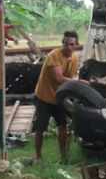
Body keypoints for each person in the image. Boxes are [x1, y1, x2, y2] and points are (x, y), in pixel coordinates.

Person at [33, 30, 80, 163]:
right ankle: (38, 156)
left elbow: (70, 78)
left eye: (71, 44)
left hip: (59, 98)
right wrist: (78, 82)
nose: (68, 47)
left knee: (62, 125)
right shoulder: (54, 55)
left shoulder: (74, 59)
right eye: (66, 44)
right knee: (40, 127)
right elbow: (58, 78)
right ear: (62, 44)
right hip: (44, 96)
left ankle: (63, 156)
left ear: (76, 45)